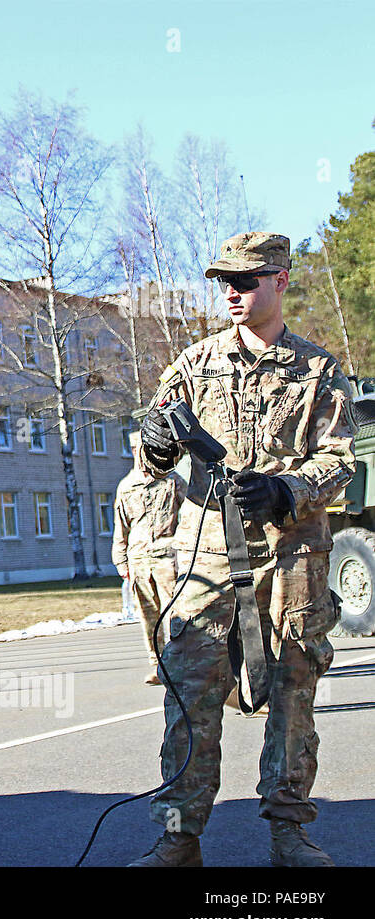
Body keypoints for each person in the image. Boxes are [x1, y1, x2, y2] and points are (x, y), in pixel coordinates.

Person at [130, 232, 354, 867]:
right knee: (189, 696)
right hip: (206, 556)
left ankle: (289, 832)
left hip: (292, 556)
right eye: (224, 280)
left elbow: (340, 461)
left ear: (280, 281)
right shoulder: (192, 365)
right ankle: (178, 838)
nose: (232, 291)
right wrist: (153, 443)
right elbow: (154, 450)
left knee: (292, 689)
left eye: (247, 280)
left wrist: (286, 489)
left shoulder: (318, 371)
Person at [112, 435, 185, 684]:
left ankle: (180, 663)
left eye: (142, 448)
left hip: (168, 559)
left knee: (176, 614)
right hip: (139, 560)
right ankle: (159, 665)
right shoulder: (126, 486)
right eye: (134, 449)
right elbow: (121, 528)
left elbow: (189, 518)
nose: (138, 454)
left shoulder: (173, 482)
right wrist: (121, 562)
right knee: (148, 617)